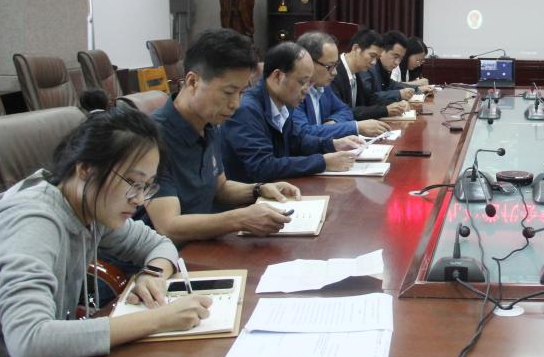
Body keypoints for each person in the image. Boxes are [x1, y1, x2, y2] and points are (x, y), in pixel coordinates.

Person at [0, 107, 211, 357]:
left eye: (146, 186)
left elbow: (159, 244)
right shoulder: (34, 221)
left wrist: (153, 274)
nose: (139, 200)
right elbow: (28, 340)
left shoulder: (90, 206)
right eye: (132, 183)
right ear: (86, 169)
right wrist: (160, 319)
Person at [143, 29, 306, 243]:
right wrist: (240, 219)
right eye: (228, 93)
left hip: (205, 244)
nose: (235, 104)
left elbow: (220, 188)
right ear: (192, 82)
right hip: (168, 255)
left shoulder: (208, 123)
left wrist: (258, 189)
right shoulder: (152, 137)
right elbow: (168, 226)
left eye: (241, 93)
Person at [221, 42, 361, 183]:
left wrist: (333, 144)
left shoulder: (283, 102)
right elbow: (262, 166)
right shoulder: (246, 109)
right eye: (302, 82)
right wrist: (323, 162)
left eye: (309, 83)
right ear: (277, 77)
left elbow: (297, 141)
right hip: (252, 193)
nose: (306, 90)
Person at [293, 31, 390, 139]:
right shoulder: (293, 92)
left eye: (336, 65)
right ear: (308, 62)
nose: (335, 72)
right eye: (329, 66)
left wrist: (334, 122)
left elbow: (345, 110)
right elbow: (303, 134)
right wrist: (355, 127)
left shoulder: (323, 87)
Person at [332, 28, 410, 121]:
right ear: (356, 49)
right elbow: (342, 113)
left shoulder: (356, 72)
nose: (374, 62)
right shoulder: (334, 72)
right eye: (372, 56)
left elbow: (368, 100)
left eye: (377, 58)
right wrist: (385, 110)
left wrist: (395, 105)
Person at [362, 30, 417, 104]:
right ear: (382, 50)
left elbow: (393, 85)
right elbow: (368, 99)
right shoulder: (368, 67)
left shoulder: (383, 69)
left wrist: (417, 89)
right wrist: (399, 94)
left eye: (401, 58)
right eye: (395, 56)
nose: (397, 63)